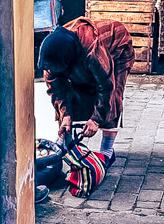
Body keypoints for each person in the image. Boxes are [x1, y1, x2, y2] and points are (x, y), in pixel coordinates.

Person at [39, 17, 135, 160]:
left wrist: (95, 120)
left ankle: (107, 150)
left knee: (113, 94)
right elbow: (57, 90)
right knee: (75, 90)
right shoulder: (52, 56)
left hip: (118, 49)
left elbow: (107, 87)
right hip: (80, 58)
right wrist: (65, 115)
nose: (51, 70)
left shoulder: (92, 51)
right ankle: (65, 139)